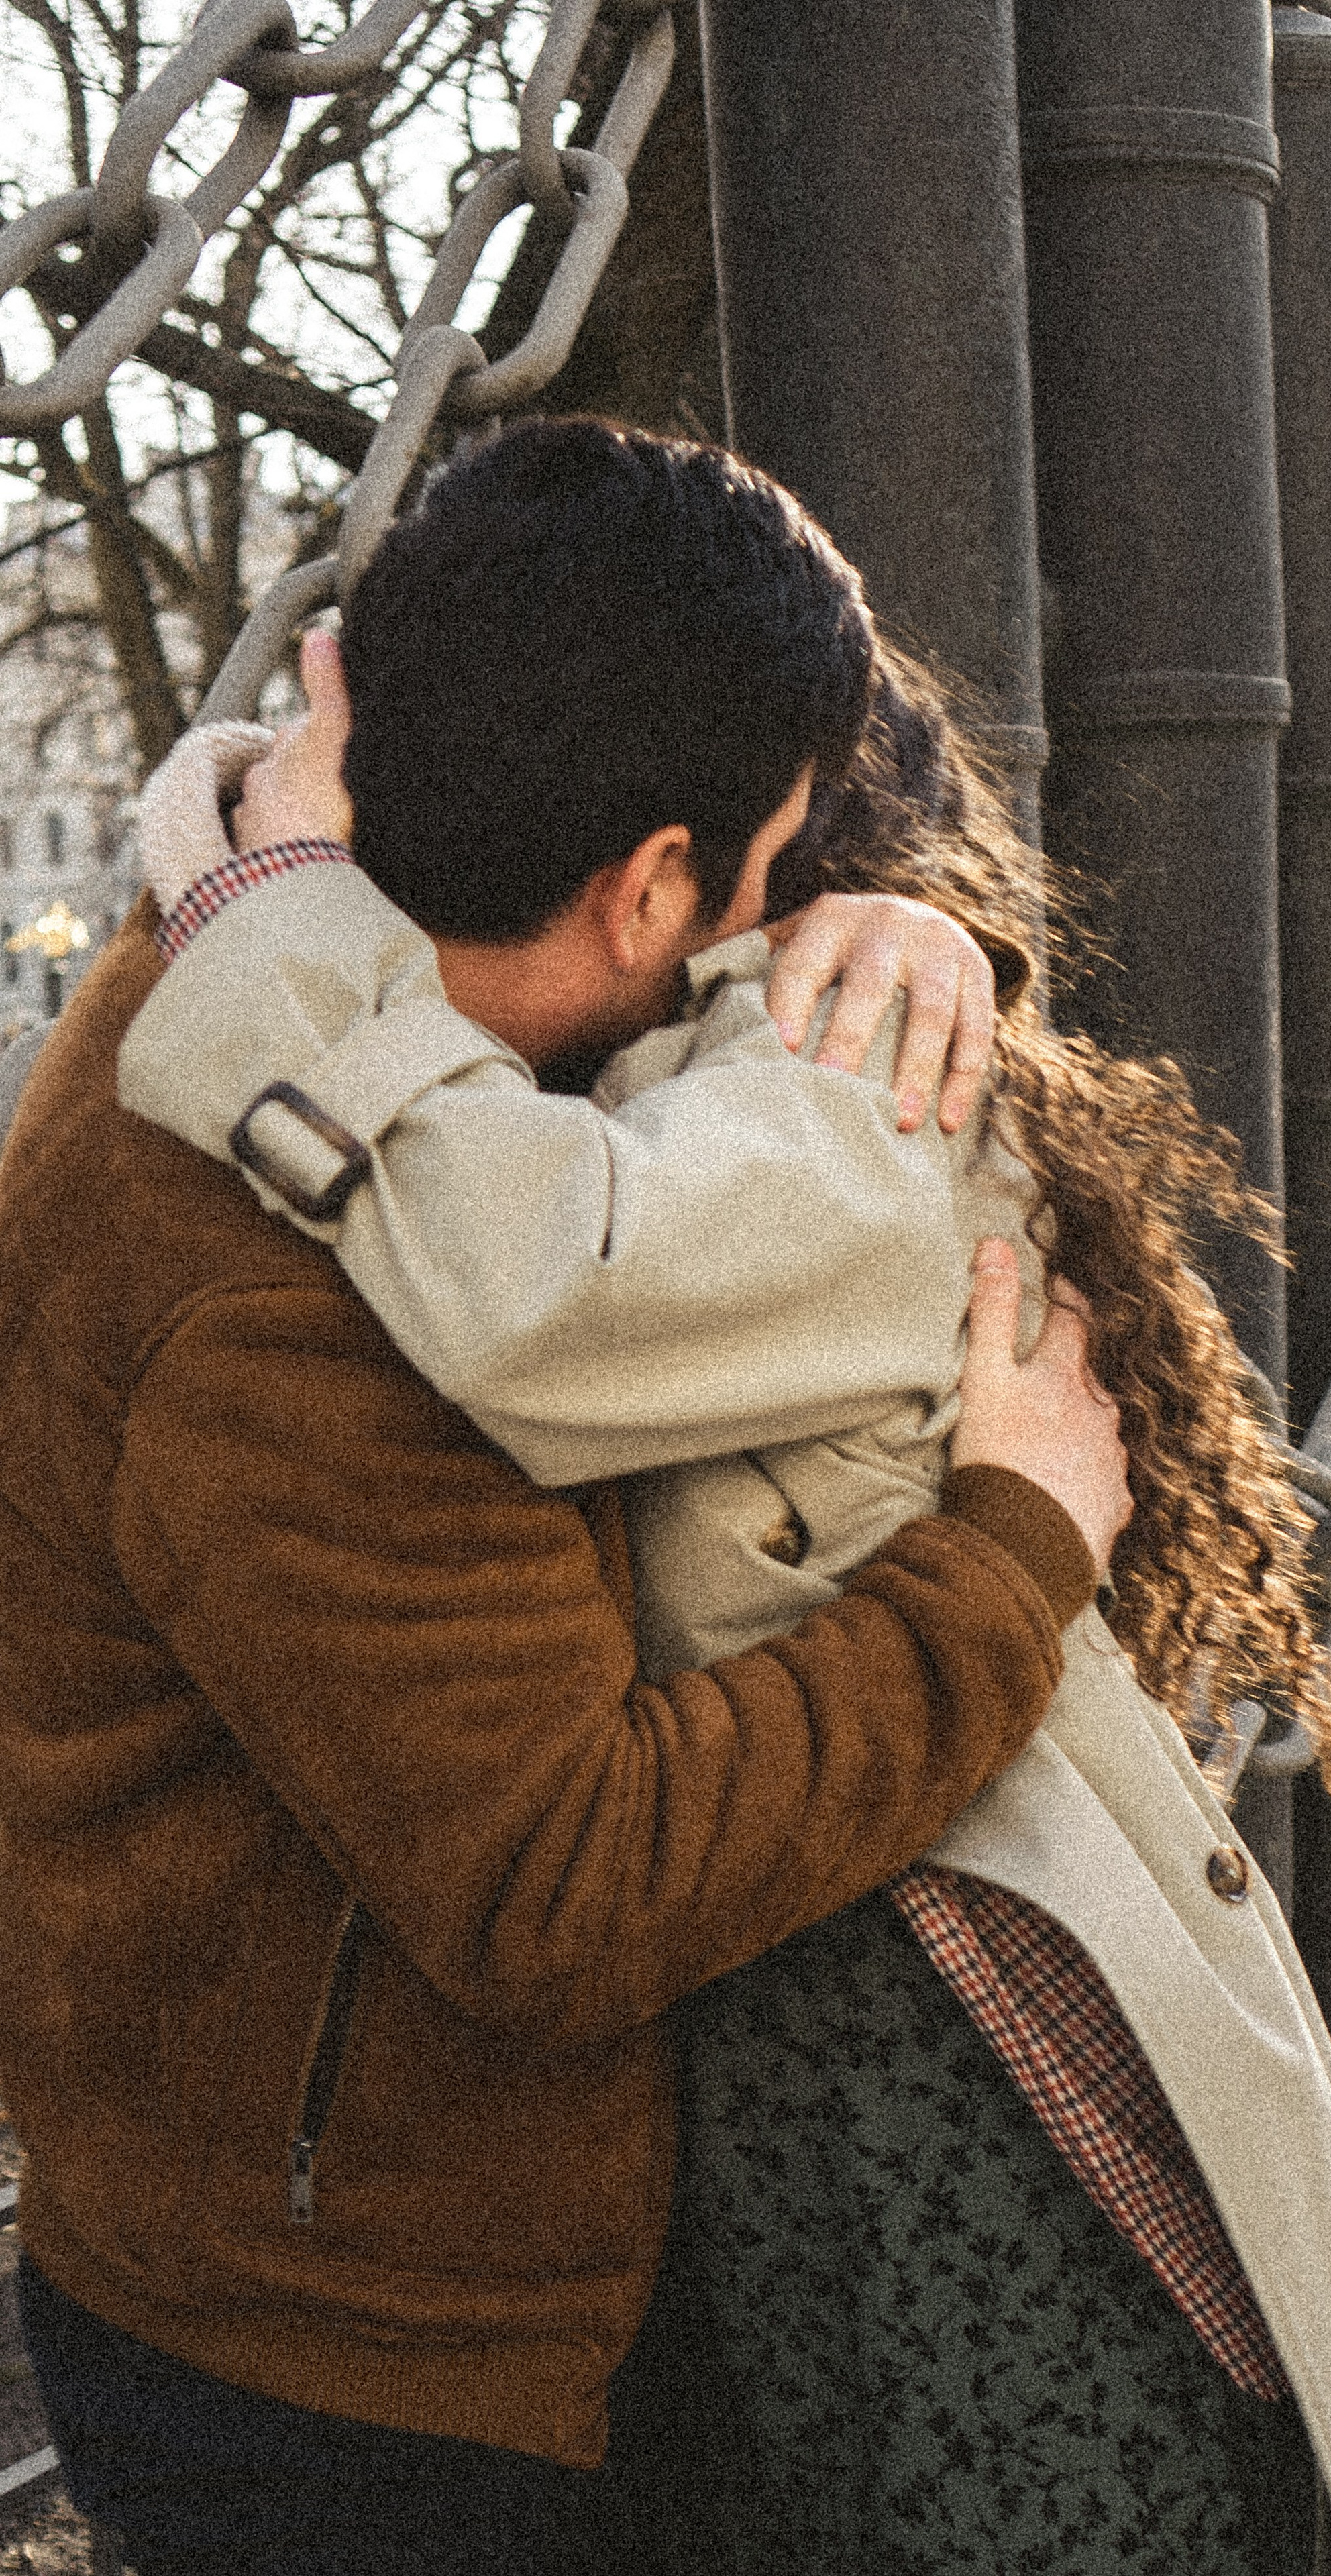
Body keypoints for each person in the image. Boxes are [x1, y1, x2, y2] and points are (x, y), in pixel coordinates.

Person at [116, 432, 1331, 2575]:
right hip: (778, 1968)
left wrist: (245, 886)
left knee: (1035, 2495)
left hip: (936, 1992)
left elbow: (530, 1281)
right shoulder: (655, 1038)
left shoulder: (842, 1102)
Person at [0, 419, 1136, 2576]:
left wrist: (887, 932)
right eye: (781, 859)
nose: (795, 903)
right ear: (646, 881)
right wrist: (1015, 1554)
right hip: (364, 2381)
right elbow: (563, 1881)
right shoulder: (293, 1274)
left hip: (348, 2269)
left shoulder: (286, 995)